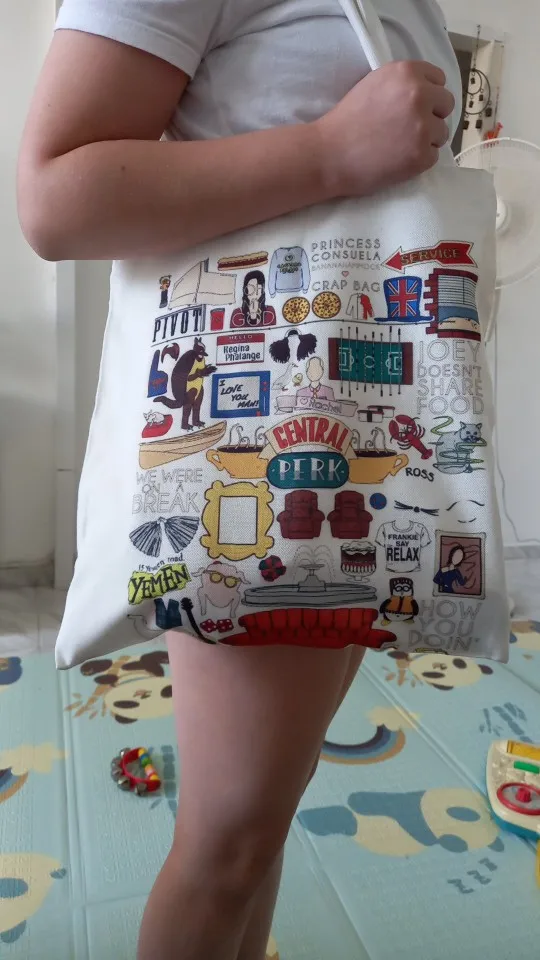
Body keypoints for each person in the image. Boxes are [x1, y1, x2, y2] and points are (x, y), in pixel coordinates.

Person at [17, 2, 460, 958]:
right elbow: (54, 200)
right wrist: (333, 152)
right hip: (262, 449)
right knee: (229, 846)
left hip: (355, 443)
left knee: (254, 832)